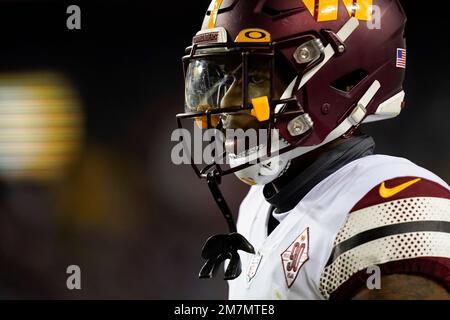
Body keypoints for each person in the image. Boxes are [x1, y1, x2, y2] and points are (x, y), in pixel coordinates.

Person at [176, 0, 450, 299]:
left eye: (255, 77)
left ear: (341, 75)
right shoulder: (256, 207)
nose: (225, 103)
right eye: (226, 78)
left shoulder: (393, 203)